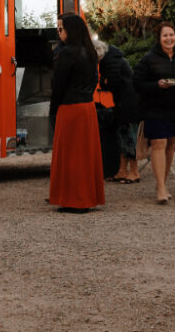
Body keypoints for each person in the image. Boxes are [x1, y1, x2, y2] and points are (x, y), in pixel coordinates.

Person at [133, 22, 175, 204]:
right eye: (165, 36)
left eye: (172, 35)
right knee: (159, 143)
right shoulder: (149, 58)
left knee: (170, 145)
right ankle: (160, 187)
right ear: (159, 39)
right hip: (155, 108)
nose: (169, 38)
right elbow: (137, 82)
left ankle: (164, 183)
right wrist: (156, 85)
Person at [48, 13, 105, 213]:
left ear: (70, 30)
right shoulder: (89, 52)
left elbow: (58, 85)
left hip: (70, 108)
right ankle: (84, 197)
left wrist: (53, 109)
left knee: (70, 156)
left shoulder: (65, 53)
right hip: (87, 108)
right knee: (84, 156)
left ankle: (74, 200)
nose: (58, 32)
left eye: (61, 28)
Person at [93, 39, 141, 184]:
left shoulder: (109, 61)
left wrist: (102, 84)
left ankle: (134, 171)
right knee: (122, 136)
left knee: (128, 137)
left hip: (128, 103)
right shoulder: (112, 57)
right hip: (125, 102)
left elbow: (113, 82)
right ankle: (121, 170)